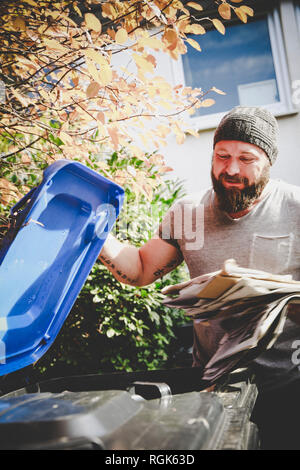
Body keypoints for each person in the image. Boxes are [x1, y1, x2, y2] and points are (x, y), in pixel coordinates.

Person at [99, 106, 300, 449]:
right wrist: (97, 233)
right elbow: (141, 269)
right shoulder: (186, 212)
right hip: (215, 390)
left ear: (268, 161)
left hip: (289, 385)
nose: (231, 169)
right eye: (222, 156)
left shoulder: (295, 207)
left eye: (246, 158)